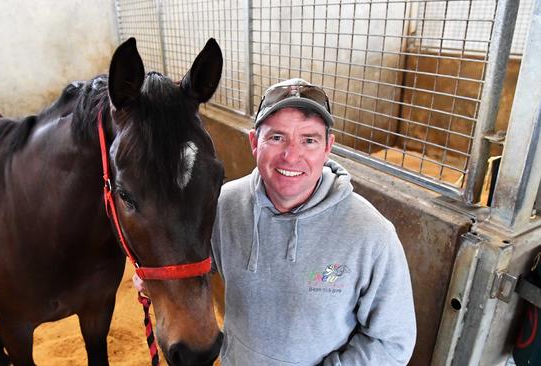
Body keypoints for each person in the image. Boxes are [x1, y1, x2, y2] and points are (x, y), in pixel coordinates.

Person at [135, 78, 416, 365]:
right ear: (254, 143)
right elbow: (194, 261)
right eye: (277, 137)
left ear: (328, 147)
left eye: (309, 140)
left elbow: (392, 343)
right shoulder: (223, 205)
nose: (291, 155)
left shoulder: (372, 235)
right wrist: (158, 273)